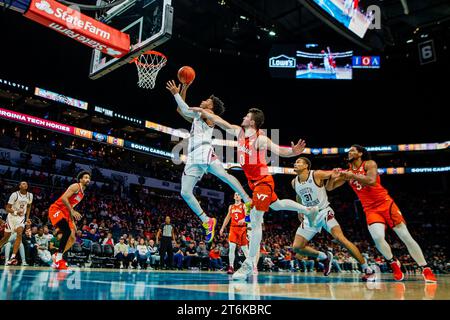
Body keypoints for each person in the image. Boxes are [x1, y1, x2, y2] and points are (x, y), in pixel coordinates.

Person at [190, 107, 319, 280]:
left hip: (263, 182)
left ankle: (249, 264)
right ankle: (309, 210)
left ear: (252, 121)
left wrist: (293, 152)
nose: (243, 116)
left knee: (256, 220)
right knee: (278, 205)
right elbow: (220, 122)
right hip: (253, 183)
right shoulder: (239, 132)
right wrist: (202, 111)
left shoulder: (260, 139)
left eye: (246, 116)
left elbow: (280, 150)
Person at [326, 145, 437, 283]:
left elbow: (371, 181)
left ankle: (425, 268)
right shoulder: (347, 172)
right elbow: (329, 188)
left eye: (353, 150)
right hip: (370, 209)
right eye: (349, 151)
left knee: (405, 236)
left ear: (360, 153)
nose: (349, 152)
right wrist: (333, 177)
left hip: (385, 203)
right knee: (378, 238)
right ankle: (393, 263)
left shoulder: (369, 164)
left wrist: (352, 175)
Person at [166, 80, 252, 243]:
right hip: (192, 157)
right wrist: (184, 88)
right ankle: (207, 221)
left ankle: (247, 200)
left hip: (204, 150)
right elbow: (181, 109)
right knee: (185, 192)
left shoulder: (209, 117)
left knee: (223, 176)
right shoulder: (198, 116)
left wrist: (176, 93)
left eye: (207, 100)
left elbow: (184, 107)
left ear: (210, 107)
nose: (203, 100)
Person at [291, 157, 376, 280]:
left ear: (306, 166)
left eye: (299, 162)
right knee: (297, 247)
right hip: (309, 214)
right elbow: (298, 196)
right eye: (295, 162)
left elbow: (333, 173)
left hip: (324, 212)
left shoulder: (316, 174)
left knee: (340, 239)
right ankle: (324, 257)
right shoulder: (294, 182)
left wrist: (340, 172)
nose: (295, 163)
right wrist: (300, 210)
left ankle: (366, 268)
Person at [47, 171, 91, 270]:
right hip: (57, 209)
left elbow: (70, 206)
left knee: (72, 238)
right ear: (80, 179)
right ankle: (58, 257)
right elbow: (63, 198)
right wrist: (72, 211)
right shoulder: (76, 186)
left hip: (66, 213)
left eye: (89, 178)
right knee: (66, 231)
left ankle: (57, 257)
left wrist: (73, 222)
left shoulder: (82, 194)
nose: (88, 179)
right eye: (85, 177)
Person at [0, 181, 33, 265]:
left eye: (26, 184)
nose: (25, 185)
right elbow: (7, 208)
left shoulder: (30, 195)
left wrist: (27, 218)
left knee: (19, 234)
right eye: (23, 183)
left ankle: (13, 257)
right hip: (11, 217)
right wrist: (16, 212)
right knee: (5, 238)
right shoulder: (14, 195)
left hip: (21, 218)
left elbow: (29, 206)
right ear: (19, 186)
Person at [219, 193, 249, 274]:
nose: (237, 195)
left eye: (239, 194)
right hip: (233, 228)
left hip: (242, 228)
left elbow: (248, 216)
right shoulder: (231, 206)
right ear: (233, 196)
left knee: (245, 249)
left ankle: (251, 266)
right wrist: (222, 228)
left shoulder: (244, 206)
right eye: (235, 194)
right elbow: (227, 218)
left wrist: (243, 220)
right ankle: (231, 267)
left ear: (241, 197)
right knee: (232, 248)